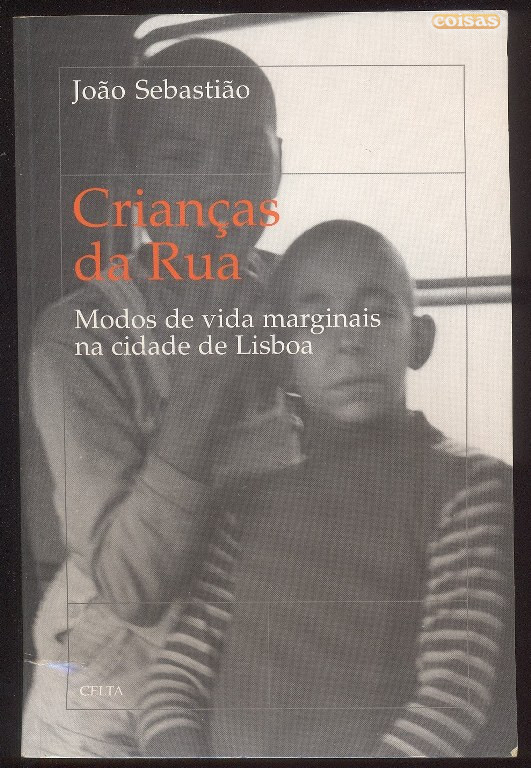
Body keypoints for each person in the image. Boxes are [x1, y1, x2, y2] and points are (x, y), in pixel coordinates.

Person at [138, 220, 515, 758]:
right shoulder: (247, 496)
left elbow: (454, 694)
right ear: (282, 355)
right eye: (316, 320)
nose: (350, 339)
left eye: (376, 312)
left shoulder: (469, 487)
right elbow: (176, 677)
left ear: (419, 339)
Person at [22, 38, 303, 758]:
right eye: (181, 159)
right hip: (111, 690)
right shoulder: (80, 337)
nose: (217, 189)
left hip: (259, 665)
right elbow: (133, 589)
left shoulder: (302, 299)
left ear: (277, 165)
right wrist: (210, 388)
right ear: (133, 183)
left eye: (244, 156)